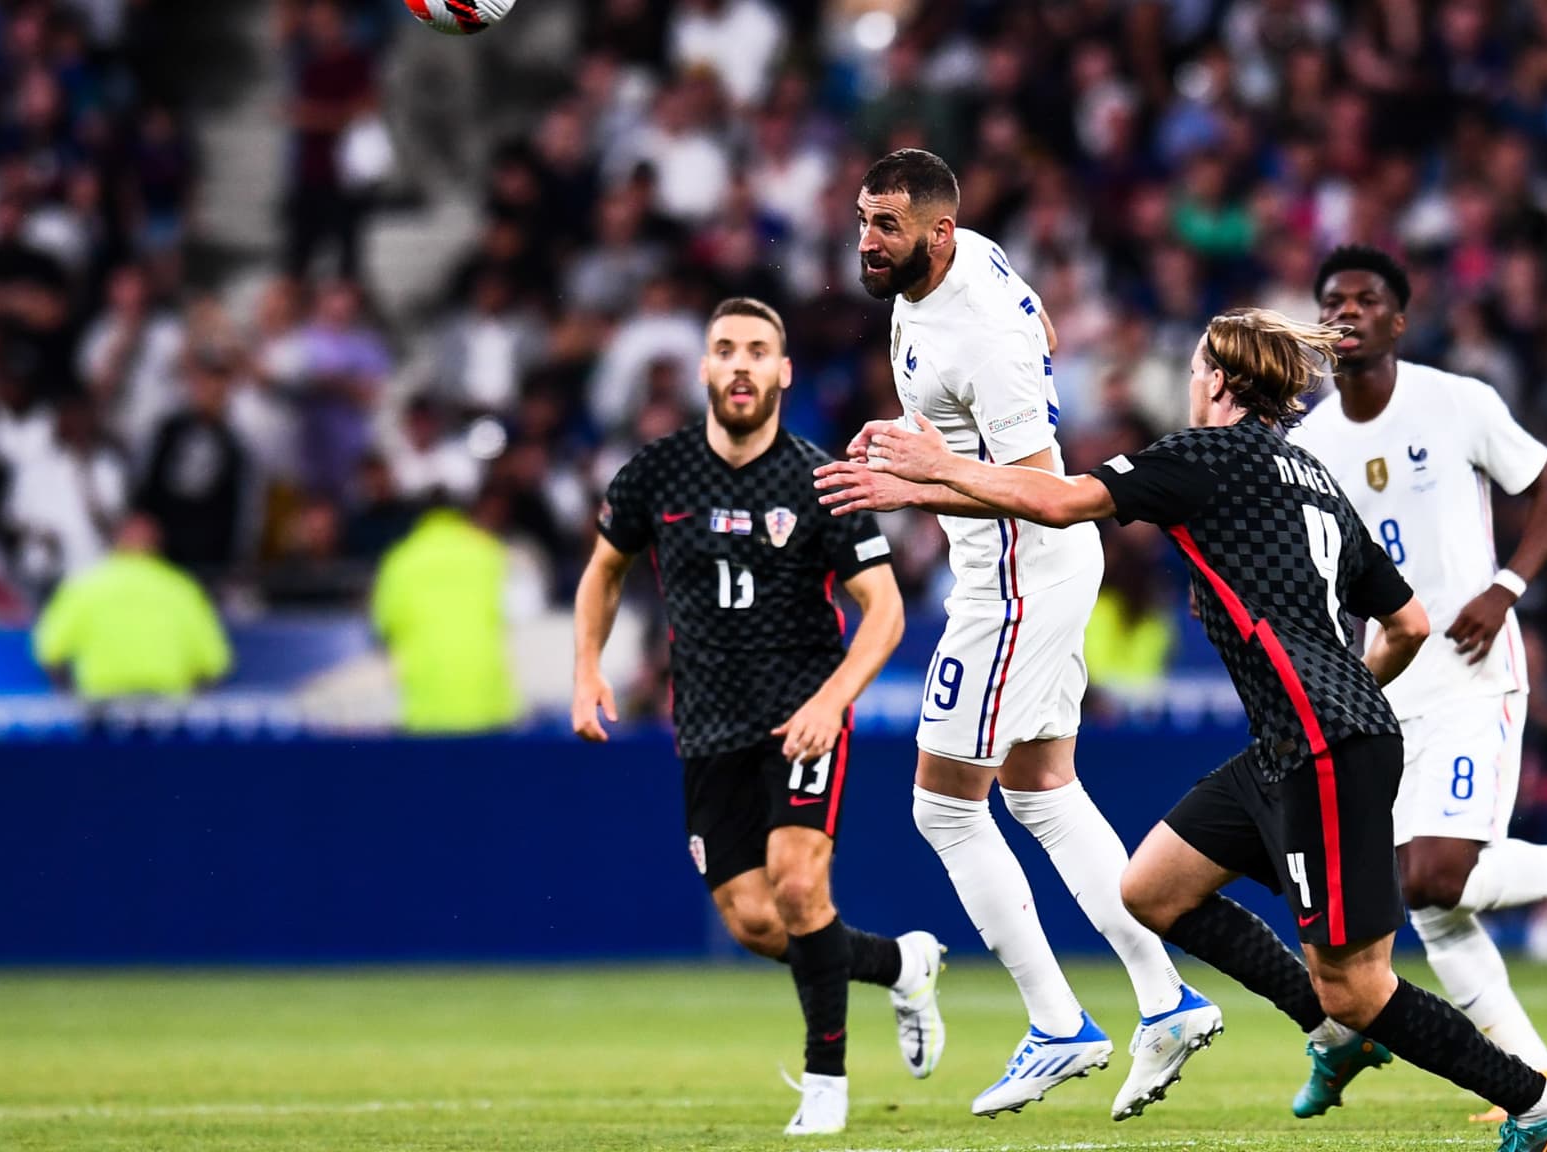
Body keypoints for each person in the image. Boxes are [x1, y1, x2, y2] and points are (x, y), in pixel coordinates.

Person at [820, 307, 1547, 1152]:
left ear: (1219, 381)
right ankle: (1333, 1024)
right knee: (1152, 888)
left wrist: (938, 464)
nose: (1190, 383)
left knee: (1361, 987)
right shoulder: (1311, 475)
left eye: (1194, 369)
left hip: (1324, 748)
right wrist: (919, 490)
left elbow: (1064, 500)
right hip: (1302, 740)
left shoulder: (1202, 457)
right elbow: (1406, 622)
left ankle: (1537, 1104)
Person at [841, 147, 1219, 1122]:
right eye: (862, 219)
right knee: (1040, 792)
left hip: (1014, 574)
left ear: (935, 232)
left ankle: (1057, 1023)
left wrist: (916, 477)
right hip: (1011, 571)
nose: (865, 240)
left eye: (884, 225)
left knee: (944, 807)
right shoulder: (972, 262)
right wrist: (918, 447)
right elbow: (1041, 323)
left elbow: (1048, 494)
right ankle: (1162, 1000)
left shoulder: (976, 336)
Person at [1289, 245, 1547, 1122]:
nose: (1347, 312)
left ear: (1398, 319)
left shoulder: (1455, 403)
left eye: (1366, 299)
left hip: (1470, 676)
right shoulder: (1309, 443)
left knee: (1434, 876)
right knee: (1427, 904)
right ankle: (1541, 1080)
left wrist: (1507, 588)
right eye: (1332, 301)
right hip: (1380, 688)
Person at [571, 297, 942, 1137]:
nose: (740, 365)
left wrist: (831, 699)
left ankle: (825, 1087)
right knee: (755, 921)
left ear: (783, 371)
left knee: (799, 882)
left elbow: (881, 609)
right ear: (705, 369)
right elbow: (603, 569)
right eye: (725, 350)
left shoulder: (819, 480)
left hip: (802, 714)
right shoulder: (656, 474)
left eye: (757, 351)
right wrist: (586, 669)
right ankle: (901, 964)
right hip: (706, 728)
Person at [33, 514, 231, 700]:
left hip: (100, 708)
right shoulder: (182, 589)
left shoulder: (84, 587)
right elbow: (215, 663)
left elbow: (48, 651)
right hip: (167, 711)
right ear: (157, 544)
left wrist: (73, 698)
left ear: (116, 542)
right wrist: (188, 704)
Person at [371, 490, 522, 734]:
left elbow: (382, 627)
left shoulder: (398, 561)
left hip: (424, 710)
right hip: (490, 705)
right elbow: (519, 617)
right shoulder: (490, 553)